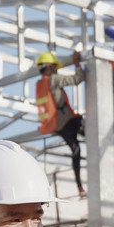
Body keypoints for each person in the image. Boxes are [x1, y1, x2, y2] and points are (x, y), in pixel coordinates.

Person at [36, 50, 87, 197]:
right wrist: (77, 63)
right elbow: (78, 79)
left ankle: (79, 187)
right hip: (67, 122)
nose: (56, 69)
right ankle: (85, 130)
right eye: (54, 67)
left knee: (76, 150)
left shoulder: (40, 84)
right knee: (86, 123)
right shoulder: (54, 79)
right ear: (48, 67)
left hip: (56, 125)